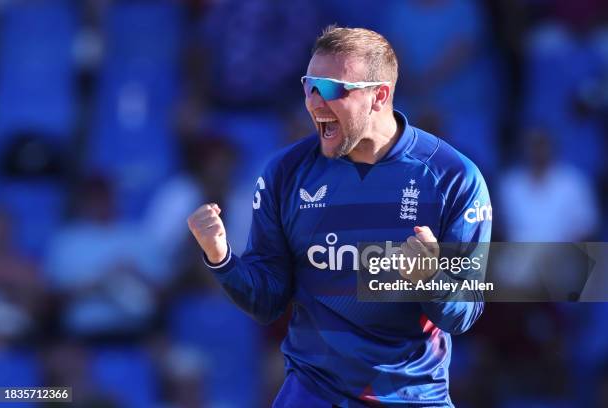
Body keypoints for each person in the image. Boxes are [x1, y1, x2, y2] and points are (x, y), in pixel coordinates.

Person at [188, 26, 491, 407]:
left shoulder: (452, 177)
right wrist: (221, 258)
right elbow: (267, 301)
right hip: (312, 393)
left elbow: (464, 313)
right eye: (309, 86)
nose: (314, 102)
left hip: (411, 397)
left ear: (379, 96)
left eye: (331, 88)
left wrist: (431, 278)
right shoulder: (284, 173)